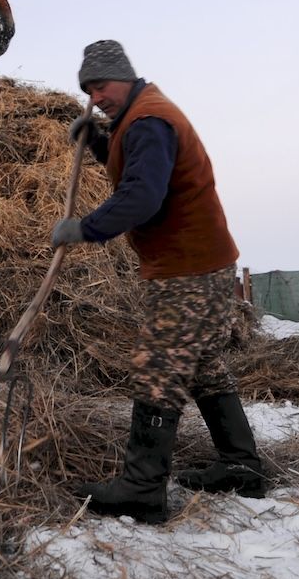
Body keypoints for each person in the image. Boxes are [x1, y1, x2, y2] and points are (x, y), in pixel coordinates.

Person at [51, 39, 265, 524]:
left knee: (160, 366)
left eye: (101, 85)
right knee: (204, 363)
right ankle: (240, 465)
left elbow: (142, 195)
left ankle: (142, 487)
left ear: (123, 76)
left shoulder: (149, 120)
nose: (96, 95)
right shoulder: (141, 116)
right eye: (88, 89)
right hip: (201, 260)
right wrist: (103, 142)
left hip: (187, 265)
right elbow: (143, 170)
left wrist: (86, 227)